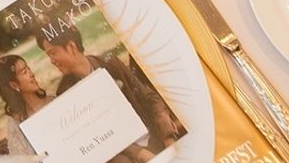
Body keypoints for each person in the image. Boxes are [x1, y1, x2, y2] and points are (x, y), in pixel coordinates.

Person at [36, 20, 182, 154]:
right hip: (125, 155)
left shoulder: (111, 63)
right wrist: (138, 153)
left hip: (154, 136)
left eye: (53, 53)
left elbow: (150, 98)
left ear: (71, 47)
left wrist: (167, 136)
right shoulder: (65, 91)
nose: (51, 61)